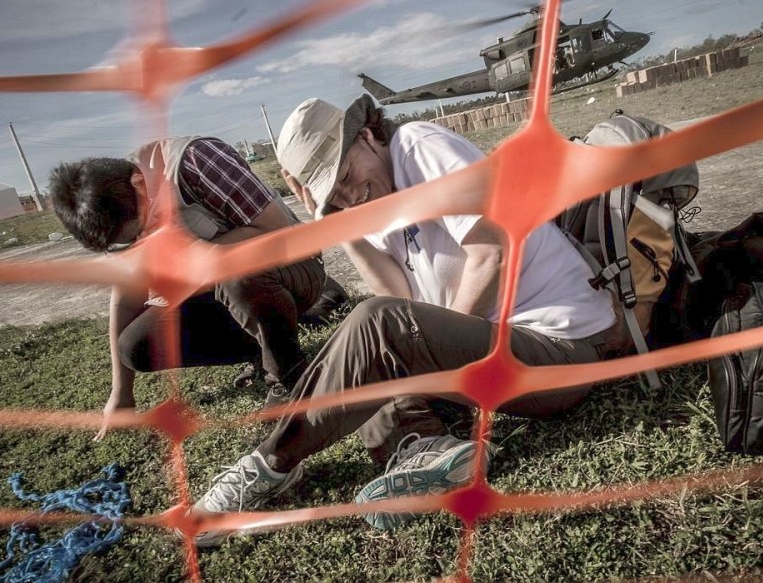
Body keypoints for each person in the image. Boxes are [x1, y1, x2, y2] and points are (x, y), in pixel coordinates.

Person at [188, 95, 615, 546]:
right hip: (500, 352)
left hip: (561, 348)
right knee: (373, 353)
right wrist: (340, 223)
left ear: (368, 137)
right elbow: (401, 299)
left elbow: (492, 253)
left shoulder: (417, 146)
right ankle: (426, 448)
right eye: (336, 194)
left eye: (347, 176)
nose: (353, 195)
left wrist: (426, 359)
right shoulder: (370, 204)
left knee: (377, 329)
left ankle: (269, 465)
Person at [49, 136, 344, 439]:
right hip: (219, 287)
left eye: (132, 235)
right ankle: (275, 333)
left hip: (291, 264)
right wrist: (121, 394)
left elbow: (278, 233)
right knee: (135, 347)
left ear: (139, 185)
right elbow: (126, 298)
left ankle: (290, 377)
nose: (133, 244)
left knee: (234, 275)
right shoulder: (118, 199)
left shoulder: (196, 161)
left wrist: (193, 252)